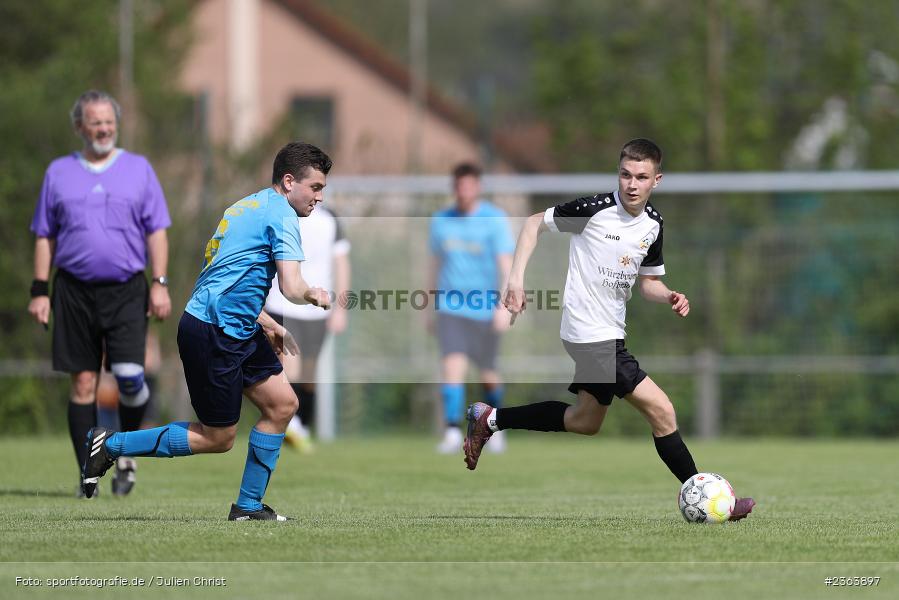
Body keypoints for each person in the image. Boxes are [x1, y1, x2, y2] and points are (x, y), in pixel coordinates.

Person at [463, 139, 755, 521]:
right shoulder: (593, 210)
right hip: (587, 333)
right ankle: (713, 501)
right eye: (625, 174)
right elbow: (534, 223)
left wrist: (669, 296)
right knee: (662, 410)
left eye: (642, 177)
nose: (632, 184)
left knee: (585, 421)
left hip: (610, 332)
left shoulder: (653, 225)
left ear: (657, 180)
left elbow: (648, 283)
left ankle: (490, 419)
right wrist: (516, 280)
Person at [80, 142, 333, 520]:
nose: (319, 198)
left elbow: (224, 279)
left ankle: (247, 507)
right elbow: (292, 286)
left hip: (235, 327)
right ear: (289, 181)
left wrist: (269, 323)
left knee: (283, 405)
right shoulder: (281, 216)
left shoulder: (246, 206)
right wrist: (314, 294)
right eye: (315, 188)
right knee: (218, 437)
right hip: (215, 331)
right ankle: (111, 445)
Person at [28, 90, 172, 497]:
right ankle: (87, 477)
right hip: (72, 291)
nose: (104, 128)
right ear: (79, 127)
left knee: (129, 376)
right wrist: (40, 291)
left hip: (127, 289)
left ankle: (124, 452)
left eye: (109, 121)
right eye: (95, 122)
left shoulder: (139, 169)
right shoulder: (58, 172)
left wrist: (159, 284)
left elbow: (156, 230)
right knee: (82, 384)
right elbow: (44, 235)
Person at [428, 163, 514, 454]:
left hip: (486, 308)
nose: (463, 191)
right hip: (451, 307)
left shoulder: (494, 219)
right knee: (451, 366)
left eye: (469, 185)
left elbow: (506, 266)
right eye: (458, 186)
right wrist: (427, 306)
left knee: (488, 372)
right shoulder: (441, 220)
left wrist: (505, 307)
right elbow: (435, 266)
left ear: (478, 187)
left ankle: (496, 426)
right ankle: (452, 431)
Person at [264, 203, 351, 451]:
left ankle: (301, 425)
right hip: (281, 304)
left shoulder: (331, 219)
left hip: (318, 310)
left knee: (309, 375)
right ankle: (287, 422)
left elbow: (342, 263)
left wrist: (341, 309)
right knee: (290, 364)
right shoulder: (281, 216)